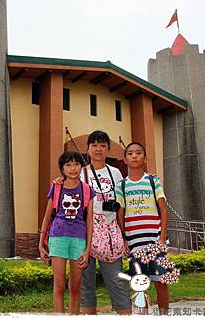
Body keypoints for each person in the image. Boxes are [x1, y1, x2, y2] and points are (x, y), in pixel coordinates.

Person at [79, 131, 131, 315]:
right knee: (86, 282)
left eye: (102, 145)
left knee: (116, 279)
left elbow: (122, 205)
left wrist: (124, 235)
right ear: (88, 148)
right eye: (94, 145)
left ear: (108, 148)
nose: (98, 149)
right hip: (85, 233)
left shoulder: (115, 173)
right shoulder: (81, 172)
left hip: (110, 233)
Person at [117, 142, 170, 315]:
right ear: (125, 159)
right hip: (134, 245)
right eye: (130, 153)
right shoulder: (121, 186)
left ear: (145, 158)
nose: (134, 156)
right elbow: (120, 215)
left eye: (138, 153)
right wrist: (124, 240)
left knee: (161, 283)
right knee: (140, 287)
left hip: (155, 242)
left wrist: (162, 237)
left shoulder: (153, 181)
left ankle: (164, 315)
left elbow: (163, 209)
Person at [39, 151, 95, 314]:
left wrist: (87, 249)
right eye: (68, 164)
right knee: (59, 285)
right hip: (57, 238)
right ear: (62, 168)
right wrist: (41, 243)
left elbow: (89, 221)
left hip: (78, 240)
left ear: (81, 166)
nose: (73, 168)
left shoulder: (87, 190)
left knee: (75, 286)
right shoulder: (56, 187)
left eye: (76, 164)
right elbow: (47, 215)